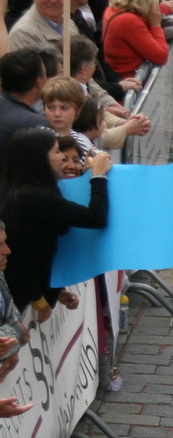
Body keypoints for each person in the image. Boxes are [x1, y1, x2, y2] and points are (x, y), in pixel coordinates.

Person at [0, 126, 109, 314]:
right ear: (39, 158)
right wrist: (98, 175)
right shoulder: (34, 197)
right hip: (18, 298)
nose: (61, 157)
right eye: (57, 152)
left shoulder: (24, 191)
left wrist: (54, 291)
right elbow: (96, 217)